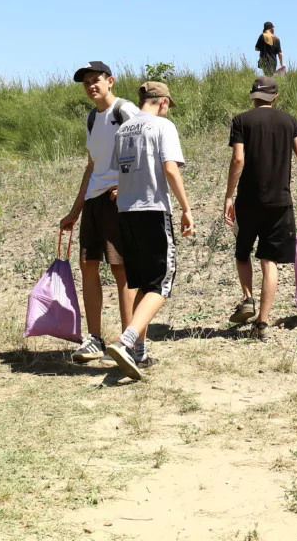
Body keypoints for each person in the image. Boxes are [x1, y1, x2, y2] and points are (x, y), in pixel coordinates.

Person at [105, 81, 194, 379]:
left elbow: (122, 172)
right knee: (161, 283)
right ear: (164, 102)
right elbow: (170, 168)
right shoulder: (162, 126)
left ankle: (139, 353)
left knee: (142, 283)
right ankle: (126, 339)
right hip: (153, 210)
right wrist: (186, 208)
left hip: (126, 213)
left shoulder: (123, 130)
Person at [223, 76, 297, 341]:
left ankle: (247, 298)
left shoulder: (241, 120)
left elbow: (238, 158)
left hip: (249, 201)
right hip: (280, 202)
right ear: (275, 97)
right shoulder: (289, 121)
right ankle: (262, 323)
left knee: (242, 254)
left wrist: (229, 196)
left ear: (252, 96)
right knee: (269, 261)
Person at [59, 62, 141, 363]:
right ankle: (93, 339)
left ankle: (127, 342)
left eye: (96, 80)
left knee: (122, 271)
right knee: (88, 266)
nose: (91, 86)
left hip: (118, 200)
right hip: (95, 199)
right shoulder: (92, 118)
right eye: (86, 83)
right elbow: (92, 165)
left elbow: (143, 152)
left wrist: (128, 187)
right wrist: (75, 210)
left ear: (111, 81)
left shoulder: (126, 111)